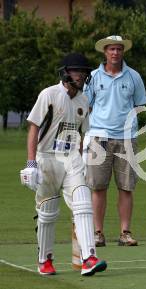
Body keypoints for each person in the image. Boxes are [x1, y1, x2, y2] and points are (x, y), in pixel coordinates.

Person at [20, 53, 107, 276]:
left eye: (84, 72)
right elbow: (33, 129)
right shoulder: (49, 94)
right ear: (66, 72)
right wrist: (31, 163)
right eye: (78, 71)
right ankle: (44, 260)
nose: (82, 76)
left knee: (83, 201)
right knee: (48, 212)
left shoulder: (84, 100)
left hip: (71, 158)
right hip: (46, 158)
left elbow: (81, 133)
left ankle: (89, 257)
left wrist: (82, 159)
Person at [84, 35, 146, 247]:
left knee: (126, 187)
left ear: (123, 52)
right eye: (111, 49)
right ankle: (97, 233)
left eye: (119, 49)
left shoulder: (133, 77)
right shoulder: (93, 77)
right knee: (98, 187)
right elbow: (86, 106)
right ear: (105, 52)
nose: (115, 53)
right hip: (99, 136)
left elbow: (140, 105)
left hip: (127, 137)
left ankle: (125, 232)